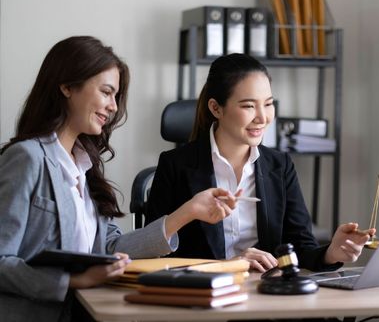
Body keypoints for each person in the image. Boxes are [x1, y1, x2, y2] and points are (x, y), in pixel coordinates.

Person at [0, 36, 237, 322]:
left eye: (115, 96)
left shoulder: (84, 166)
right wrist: (72, 281)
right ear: (66, 86)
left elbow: (111, 250)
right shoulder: (28, 158)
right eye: (106, 92)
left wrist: (188, 212)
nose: (113, 106)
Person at [145, 53, 375, 273]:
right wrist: (230, 265)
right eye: (248, 106)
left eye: (268, 104)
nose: (263, 117)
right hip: (203, 299)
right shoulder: (175, 166)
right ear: (216, 108)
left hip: (265, 294)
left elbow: (300, 248)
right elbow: (154, 255)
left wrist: (331, 253)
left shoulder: (280, 165)